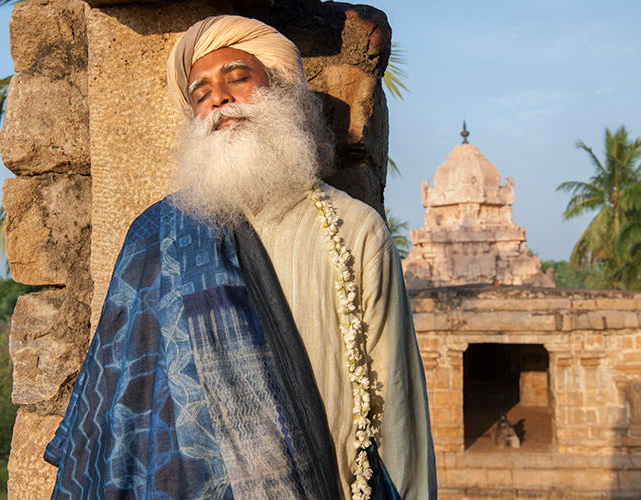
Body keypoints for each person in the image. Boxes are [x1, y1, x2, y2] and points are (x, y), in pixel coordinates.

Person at [44, 15, 436, 500]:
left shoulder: (354, 230)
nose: (218, 98)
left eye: (238, 77)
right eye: (200, 91)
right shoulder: (155, 237)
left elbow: (396, 408)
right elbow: (120, 407)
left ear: (283, 90)